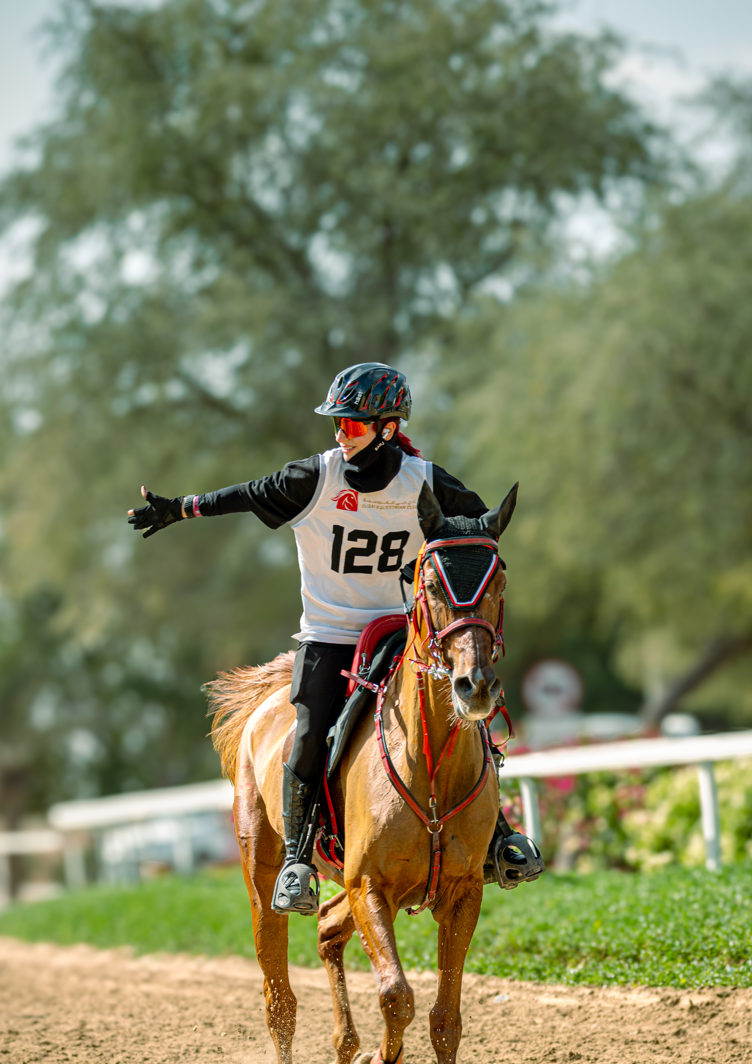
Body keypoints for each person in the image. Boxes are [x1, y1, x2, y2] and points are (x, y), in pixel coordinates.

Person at [128, 362, 541, 915]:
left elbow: (475, 530)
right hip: (329, 637)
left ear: (387, 428)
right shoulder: (313, 479)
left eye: (350, 424)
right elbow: (246, 494)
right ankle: (298, 862)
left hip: (401, 630)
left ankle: (497, 838)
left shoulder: (426, 480)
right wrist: (179, 508)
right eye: (337, 424)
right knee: (307, 733)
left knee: (465, 710)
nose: (339, 434)